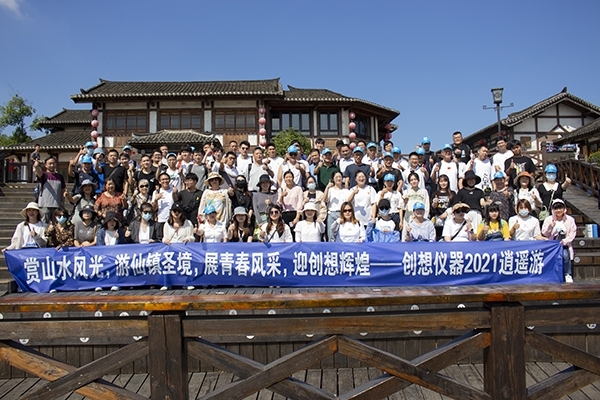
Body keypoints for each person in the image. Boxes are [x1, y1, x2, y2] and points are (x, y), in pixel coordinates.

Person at [541, 199, 577, 282]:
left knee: (565, 255)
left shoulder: (570, 219)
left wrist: (565, 241)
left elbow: (572, 233)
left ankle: (567, 274)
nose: (558, 210)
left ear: (564, 208)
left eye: (560, 208)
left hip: (564, 244)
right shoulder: (549, 219)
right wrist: (550, 226)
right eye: (556, 208)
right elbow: (545, 233)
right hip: (552, 244)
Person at [33, 156, 66, 223]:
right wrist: (36, 166)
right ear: (46, 165)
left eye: (53, 163)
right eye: (50, 163)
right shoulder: (44, 175)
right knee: (44, 225)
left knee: (56, 225)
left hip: (57, 205)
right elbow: (39, 172)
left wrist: (62, 203)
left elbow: (63, 190)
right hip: (45, 205)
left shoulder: (60, 177)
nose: (52, 165)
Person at [323, 170, 350, 241]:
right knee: (331, 235)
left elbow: (348, 202)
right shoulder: (330, 190)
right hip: (332, 214)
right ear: (333, 179)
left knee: (342, 235)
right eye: (336, 177)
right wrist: (327, 187)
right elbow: (324, 199)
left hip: (342, 214)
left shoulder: (346, 191)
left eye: (340, 177)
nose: (338, 178)